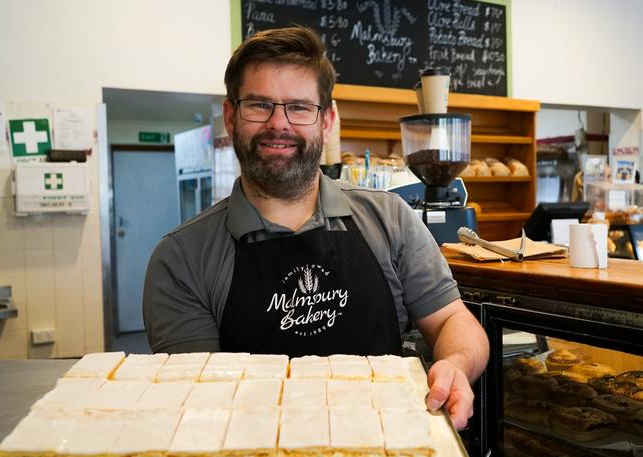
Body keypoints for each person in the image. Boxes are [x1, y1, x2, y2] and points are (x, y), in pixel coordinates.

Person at [143, 26, 489, 429]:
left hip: (392, 453)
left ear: (327, 120)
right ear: (231, 116)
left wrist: (455, 364)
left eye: (299, 107)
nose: (279, 124)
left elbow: (452, 320)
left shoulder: (390, 219)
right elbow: (201, 406)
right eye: (259, 105)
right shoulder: (182, 259)